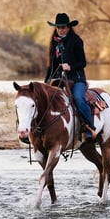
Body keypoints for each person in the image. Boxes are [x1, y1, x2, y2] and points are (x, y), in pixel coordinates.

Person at [45, 13, 96, 141]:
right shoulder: (54, 42)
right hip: (58, 77)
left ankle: (90, 128)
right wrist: (45, 82)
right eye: (58, 27)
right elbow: (51, 65)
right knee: (45, 100)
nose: (60, 30)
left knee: (78, 98)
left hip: (76, 77)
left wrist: (70, 67)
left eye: (63, 27)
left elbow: (83, 62)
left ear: (68, 27)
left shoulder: (76, 41)